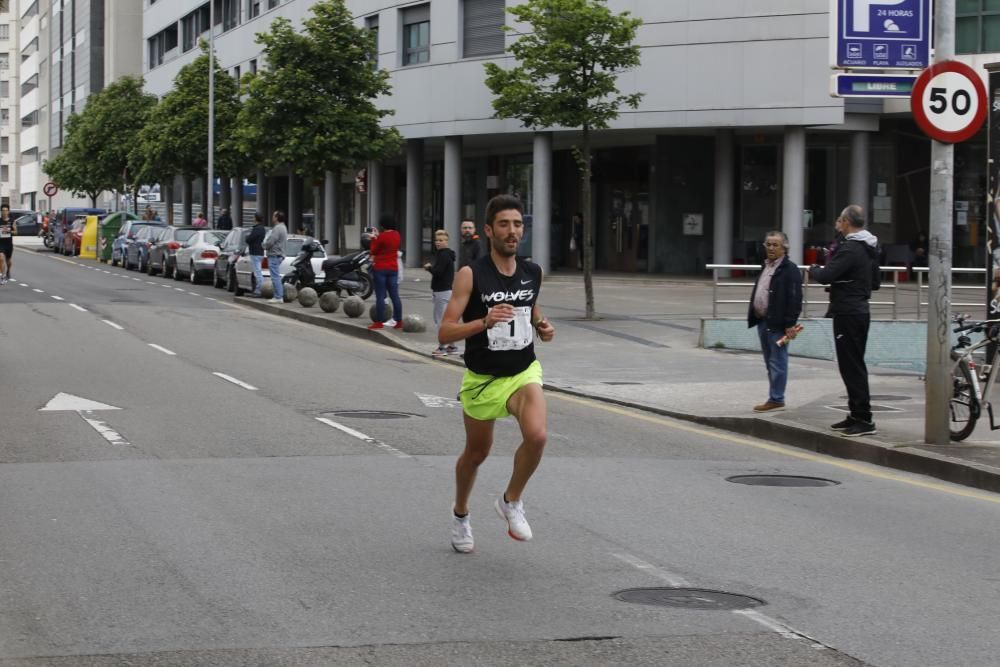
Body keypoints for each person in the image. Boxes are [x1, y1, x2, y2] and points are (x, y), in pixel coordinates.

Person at [438, 194, 556, 554]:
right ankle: (460, 515)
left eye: (517, 224)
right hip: (482, 379)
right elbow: (444, 332)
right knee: (477, 454)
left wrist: (541, 325)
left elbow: (529, 304)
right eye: (504, 224)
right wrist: (483, 321)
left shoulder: (531, 271)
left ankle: (511, 501)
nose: (512, 231)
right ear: (489, 230)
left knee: (537, 436)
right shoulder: (471, 274)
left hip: (522, 371)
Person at [809, 205, 880, 438]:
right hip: (858, 309)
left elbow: (827, 276)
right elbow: (876, 282)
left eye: (839, 220)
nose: (837, 224)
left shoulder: (850, 248)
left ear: (847, 222)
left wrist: (814, 269)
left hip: (848, 311)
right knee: (852, 364)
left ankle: (864, 419)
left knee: (852, 366)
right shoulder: (870, 246)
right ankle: (856, 413)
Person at [747, 231, 802, 412]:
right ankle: (774, 396)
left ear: (784, 248)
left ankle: (777, 398)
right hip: (763, 321)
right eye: (768, 244)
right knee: (769, 361)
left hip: (778, 324)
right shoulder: (767, 266)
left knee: (777, 362)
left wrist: (790, 324)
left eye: (775, 245)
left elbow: (795, 298)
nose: (771, 248)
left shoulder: (790, 269)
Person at [424, 229, 457, 356]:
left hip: (442, 291)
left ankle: (442, 347)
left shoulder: (443, 255)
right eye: (436, 240)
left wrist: (429, 268)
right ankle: (452, 346)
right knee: (446, 319)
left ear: (447, 241)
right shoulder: (447, 254)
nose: (438, 242)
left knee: (440, 320)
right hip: (446, 290)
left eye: (441, 240)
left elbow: (438, 272)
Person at [368, 213, 404, 330]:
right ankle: (398, 321)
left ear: (382, 225)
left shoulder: (382, 237)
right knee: (395, 296)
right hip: (393, 268)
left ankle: (379, 322)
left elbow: (374, 250)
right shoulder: (397, 235)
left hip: (380, 268)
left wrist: (374, 238)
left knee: (380, 296)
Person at [263, 210, 287, 304]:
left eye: (273, 216)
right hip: (278, 254)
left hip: (274, 254)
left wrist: (264, 245)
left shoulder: (277, 228)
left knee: (275, 277)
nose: (272, 217)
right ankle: (277, 295)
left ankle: (278, 296)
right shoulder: (283, 227)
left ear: (277, 218)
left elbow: (271, 241)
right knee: (275, 276)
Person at [246, 212, 267, 297]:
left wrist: (247, 237)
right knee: (257, 271)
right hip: (259, 251)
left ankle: (259, 290)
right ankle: (258, 289)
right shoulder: (262, 228)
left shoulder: (257, 228)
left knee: (257, 272)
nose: (252, 219)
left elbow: (250, 239)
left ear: (256, 218)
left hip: (255, 252)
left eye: (253, 217)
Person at [0, 204, 13, 284]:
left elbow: (16, 232)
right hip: (0, 243)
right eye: (3, 210)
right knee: (1, 259)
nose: (4, 212)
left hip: (8, 244)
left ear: (8, 211)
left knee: (8, 261)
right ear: (1, 211)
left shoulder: (12, 221)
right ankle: (2, 276)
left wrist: (8, 231)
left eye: (6, 210)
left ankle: (8, 271)